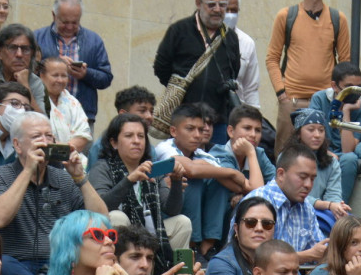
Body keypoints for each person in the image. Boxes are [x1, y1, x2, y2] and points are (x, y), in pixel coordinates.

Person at [0, 113, 107, 275]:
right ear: (17, 145)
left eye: (49, 136)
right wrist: (28, 171)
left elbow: (102, 221)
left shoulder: (63, 178)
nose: (45, 142)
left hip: (58, 265)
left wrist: (80, 177)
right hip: (18, 264)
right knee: (4, 264)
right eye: (36, 137)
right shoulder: (1, 175)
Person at [266, 0, 351, 152]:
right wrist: (282, 94)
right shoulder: (286, 16)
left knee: (325, 157)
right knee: (286, 156)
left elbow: (345, 63)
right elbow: (272, 58)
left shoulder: (339, 19)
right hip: (293, 101)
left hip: (326, 100)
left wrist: (339, 97)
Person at [90, 113, 191, 265]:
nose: (136, 141)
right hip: (117, 238)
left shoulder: (151, 169)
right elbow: (100, 207)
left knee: (182, 222)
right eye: (129, 136)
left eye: (141, 136)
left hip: (149, 232)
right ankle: (119, 272)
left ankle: (177, 274)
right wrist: (130, 180)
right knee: (117, 217)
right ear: (114, 142)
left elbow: (172, 210)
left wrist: (176, 181)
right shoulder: (102, 167)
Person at [155, 103, 247, 257]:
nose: (197, 135)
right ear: (173, 131)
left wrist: (226, 175)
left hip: (194, 218)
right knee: (192, 179)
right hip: (166, 215)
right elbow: (190, 170)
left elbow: (238, 186)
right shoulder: (163, 148)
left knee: (218, 181)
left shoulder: (204, 155)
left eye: (200, 129)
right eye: (190, 129)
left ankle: (207, 246)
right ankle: (192, 245)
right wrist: (232, 172)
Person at [154, 0, 241, 144]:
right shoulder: (179, 30)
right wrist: (182, 87)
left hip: (217, 120)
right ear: (198, 3)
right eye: (211, 5)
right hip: (184, 116)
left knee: (214, 163)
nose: (217, 9)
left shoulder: (231, 37)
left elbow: (234, 70)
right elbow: (161, 67)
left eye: (222, 5)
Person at [231, 145, 328, 265]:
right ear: (281, 174)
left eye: (312, 179)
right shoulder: (257, 201)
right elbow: (249, 257)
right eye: (302, 177)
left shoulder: (307, 207)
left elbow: (320, 249)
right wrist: (304, 257)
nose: (308, 185)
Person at [34, 0, 113, 125]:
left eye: (75, 22)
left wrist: (86, 74)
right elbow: (26, 72)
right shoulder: (37, 37)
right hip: (43, 112)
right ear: (54, 16)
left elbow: (106, 78)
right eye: (65, 22)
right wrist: (54, 65)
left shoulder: (94, 41)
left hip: (82, 116)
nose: (69, 27)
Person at [308, 61, 361, 202]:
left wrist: (346, 111)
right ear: (334, 86)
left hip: (343, 156)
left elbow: (348, 150)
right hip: (320, 150)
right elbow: (310, 133)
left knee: (351, 159)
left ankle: (338, 206)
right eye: (349, 88)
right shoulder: (319, 99)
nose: (354, 92)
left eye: (359, 87)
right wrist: (325, 151)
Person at [289, 108, 349, 236]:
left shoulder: (332, 161)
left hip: (324, 211)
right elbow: (292, 194)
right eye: (311, 129)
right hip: (296, 210)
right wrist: (328, 205)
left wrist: (338, 206)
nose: (317, 135)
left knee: (349, 224)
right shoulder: (288, 158)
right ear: (298, 133)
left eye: (321, 130)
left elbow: (334, 194)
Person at [208, 105, 275, 213]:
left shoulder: (259, 153)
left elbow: (278, 186)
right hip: (219, 218)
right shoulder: (219, 154)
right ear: (230, 131)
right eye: (247, 128)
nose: (253, 135)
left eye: (258, 130)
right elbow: (257, 192)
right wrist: (251, 153)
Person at [208, 197, 277, 275]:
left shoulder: (282, 260)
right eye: (250, 222)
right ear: (236, 229)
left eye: (267, 224)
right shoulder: (220, 265)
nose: (259, 228)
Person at [87, 85, 157, 170]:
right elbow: (93, 181)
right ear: (123, 114)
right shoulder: (100, 147)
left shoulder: (150, 148)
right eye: (142, 111)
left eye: (151, 112)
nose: (149, 116)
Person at [37, 57, 92, 160]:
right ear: (42, 76)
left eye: (64, 76)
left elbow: (83, 134)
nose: (60, 80)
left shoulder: (72, 102)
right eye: (55, 75)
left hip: (72, 158)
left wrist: (63, 153)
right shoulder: (34, 100)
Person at [224, 0, 260, 108]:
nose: (229, 14)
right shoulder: (201, 37)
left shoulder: (246, 42)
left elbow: (251, 88)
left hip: (235, 111)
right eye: (226, 9)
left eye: (233, 10)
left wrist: (253, 115)